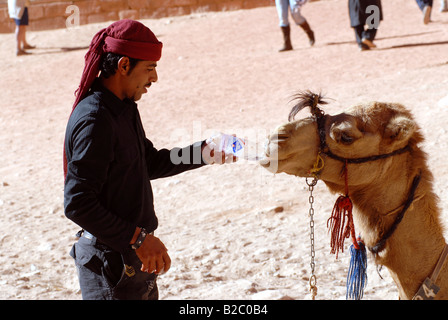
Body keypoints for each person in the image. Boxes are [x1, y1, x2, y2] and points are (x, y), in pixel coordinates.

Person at [63, 19, 237, 300]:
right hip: (109, 266)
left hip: (130, 259)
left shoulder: (123, 107)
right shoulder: (95, 119)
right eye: (150, 68)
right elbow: (78, 204)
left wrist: (203, 152)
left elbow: (148, 162)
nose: (154, 79)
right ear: (123, 66)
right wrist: (139, 238)